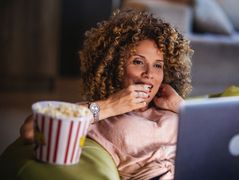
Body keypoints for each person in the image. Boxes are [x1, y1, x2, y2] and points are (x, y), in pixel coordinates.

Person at [20, 8, 193, 180]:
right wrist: (109, 106)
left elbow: (217, 140)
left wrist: (181, 107)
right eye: (138, 62)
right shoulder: (103, 117)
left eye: (158, 65)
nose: (149, 73)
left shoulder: (173, 107)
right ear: (114, 67)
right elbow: (30, 130)